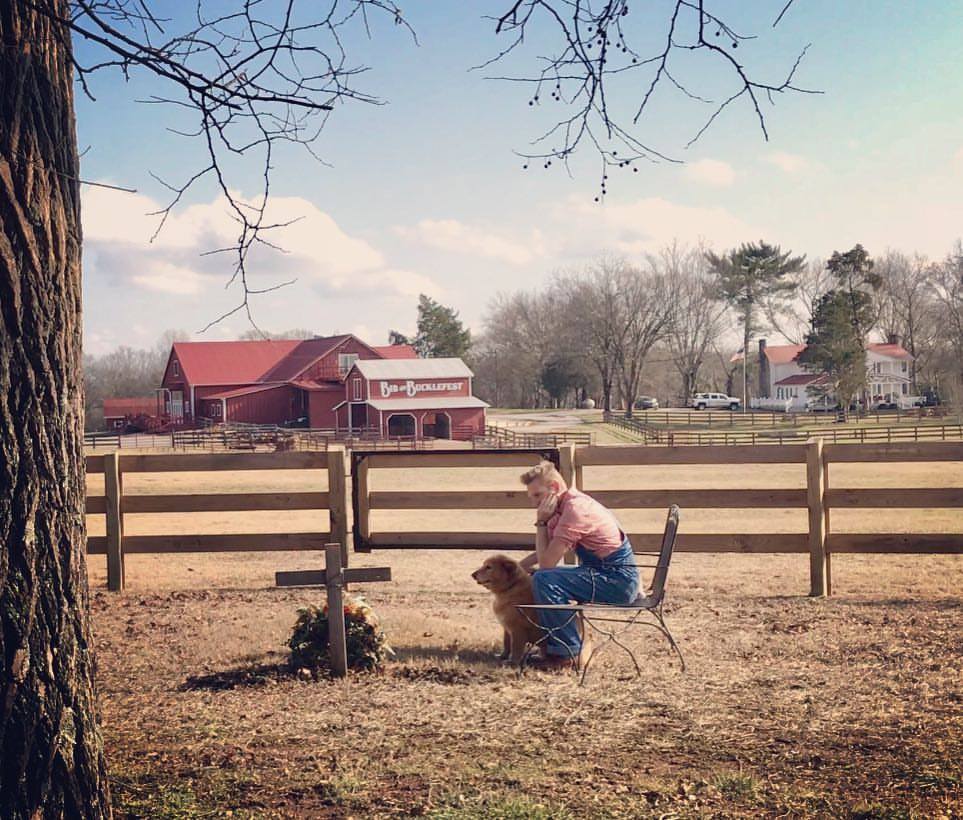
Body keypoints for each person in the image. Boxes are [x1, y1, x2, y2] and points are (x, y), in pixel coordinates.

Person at [518, 460, 639, 671]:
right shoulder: (565, 505)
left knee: (544, 579)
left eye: (537, 495)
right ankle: (552, 644)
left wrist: (540, 523)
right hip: (602, 573)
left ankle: (567, 654)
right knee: (538, 576)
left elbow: (547, 564)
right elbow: (544, 553)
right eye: (531, 497)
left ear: (554, 488)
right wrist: (516, 569)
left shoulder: (575, 510)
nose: (533, 503)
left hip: (617, 582)